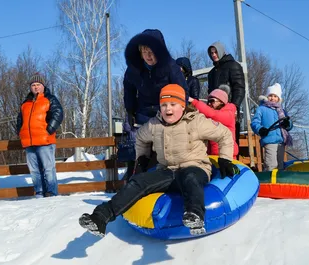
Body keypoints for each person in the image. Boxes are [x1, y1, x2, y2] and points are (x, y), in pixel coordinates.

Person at [79, 84, 237, 237]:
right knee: (137, 182)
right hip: (168, 170)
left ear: (183, 106)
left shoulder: (196, 121)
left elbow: (224, 134)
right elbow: (140, 137)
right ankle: (101, 217)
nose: (168, 109)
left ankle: (195, 215)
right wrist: (141, 158)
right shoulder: (155, 125)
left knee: (189, 178)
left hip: (195, 167)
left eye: (173, 104)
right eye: (164, 105)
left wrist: (224, 159)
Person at [122, 29, 189, 180]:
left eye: (152, 51)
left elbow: (182, 91)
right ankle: (135, 182)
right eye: (145, 52)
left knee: (164, 150)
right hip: (143, 113)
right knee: (140, 151)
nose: (149, 56)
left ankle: (167, 180)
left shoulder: (170, 66)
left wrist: (179, 112)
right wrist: (130, 110)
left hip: (165, 112)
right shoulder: (134, 68)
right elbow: (129, 88)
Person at [16, 73, 64, 197]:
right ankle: (39, 193)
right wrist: (20, 132)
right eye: (33, 85)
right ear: (30, 87)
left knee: (48, 169)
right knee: (34, 171)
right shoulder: (25, 103)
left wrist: (49, 129)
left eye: (38, 84)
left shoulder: (50, 99)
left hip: (45, 141)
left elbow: (58, 113)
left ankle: (52, 193)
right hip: (29, 142)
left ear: (43, 86)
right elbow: (19, 120)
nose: (36, 87)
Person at [207, 41, 245, 141]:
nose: (214, 55)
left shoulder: (233, 66)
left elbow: (239, 88)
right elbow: (209, 92)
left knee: (230, 142)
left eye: (215, 52)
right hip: (214, 111)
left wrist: (234, 106)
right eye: (211, 53)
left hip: (229, 111)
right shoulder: (211, 73)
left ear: (221, 51)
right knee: (214, 143)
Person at [250, 83, 292, 171]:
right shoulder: (262, 109)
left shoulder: (281, 111)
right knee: (271, 164)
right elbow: (254, 122)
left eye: (275, 96)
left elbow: (290, 125)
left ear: (278, 99)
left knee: (280, 165)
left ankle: (279, 182)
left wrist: (287, 124)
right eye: (270, 95)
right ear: (267, 96)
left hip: (281, 141)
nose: (272, 98)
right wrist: (260, 129)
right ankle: (269, 179)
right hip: (269, 140)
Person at [189, 84, 238, 159]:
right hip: (213, 155)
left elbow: (213, 114)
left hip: (227, 155)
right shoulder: (211, 114)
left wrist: (194, 102)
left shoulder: (229, 113)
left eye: (212, 101)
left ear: (221, 102)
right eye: (208, 101)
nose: (209, 104)